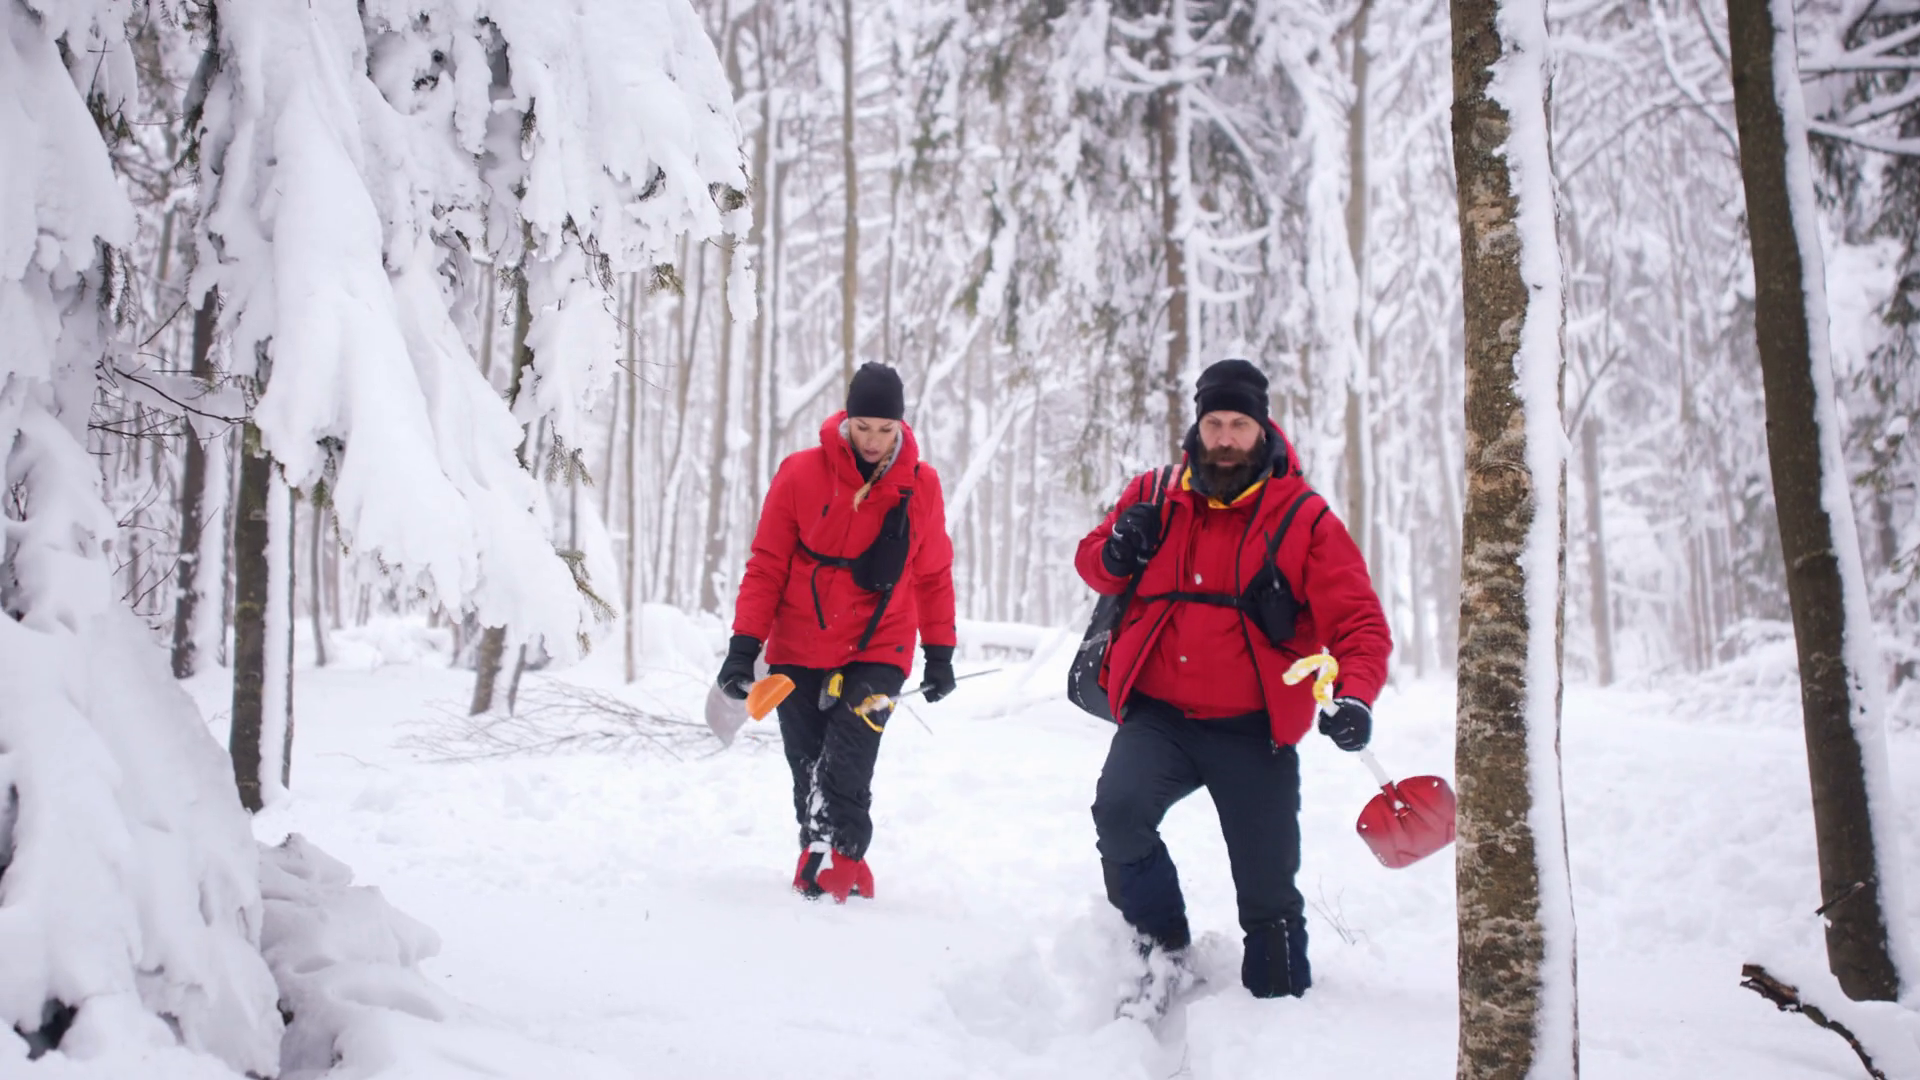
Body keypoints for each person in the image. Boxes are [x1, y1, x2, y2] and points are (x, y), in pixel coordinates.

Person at [1075, 357, 1391, 1002]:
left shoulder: (1304, 519)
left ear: (1262, 429)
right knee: (1119, 814)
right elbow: (1095, 565)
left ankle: (1278, 1012)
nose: (1224, 438)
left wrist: (1355, 695)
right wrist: (1117, 548)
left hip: (1253, 731)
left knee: (1268, 894)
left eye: (1238, 425)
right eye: (1214, 423)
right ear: (1198, 426)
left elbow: (1360, 623)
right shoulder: (1154, 494)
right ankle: (1160, 946)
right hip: (1160, 718)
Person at [717, 362, 958, 902]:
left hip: (881, 642)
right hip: (799, 641)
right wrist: (744, 647)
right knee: (807, 764)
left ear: (901, 426)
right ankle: (825, 862)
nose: (873, 441)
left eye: (885, 430)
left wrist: (940, 652)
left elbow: (933, 573)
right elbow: (767, 564)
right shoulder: (800, 473)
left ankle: (835, 868)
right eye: (863, 427)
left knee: (849, 752)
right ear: (847, 420)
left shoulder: (922, 485)